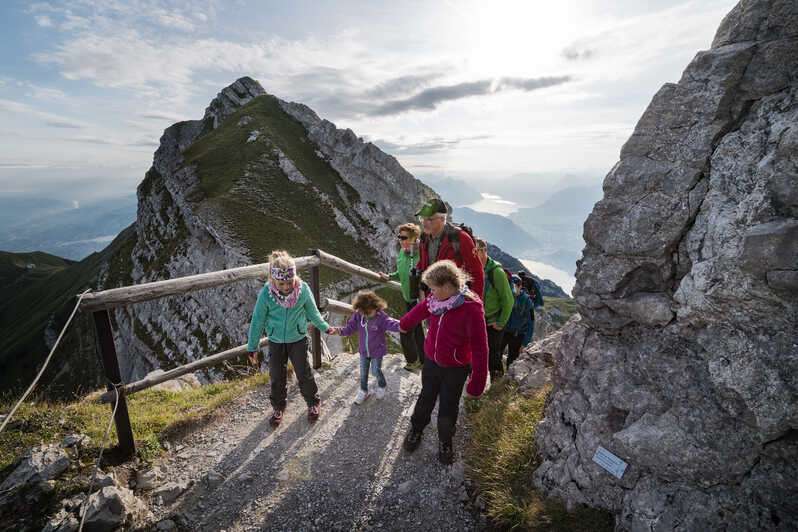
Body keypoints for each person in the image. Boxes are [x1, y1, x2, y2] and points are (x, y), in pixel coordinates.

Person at [399, 260, 489, 465]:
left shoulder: (471, 308)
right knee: (425, 398)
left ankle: (445, 441)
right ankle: (416, 429)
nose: (430, 292)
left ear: (448, 286)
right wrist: (405, 324)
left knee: (448, 405)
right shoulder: (436, 299)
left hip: (455, 368)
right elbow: (421, 310)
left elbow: (480, 348)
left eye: (433, 288)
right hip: (431, 361)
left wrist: (477, 382)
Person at [246, 250, 332, 427]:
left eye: (289, 282)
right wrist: (252, 346)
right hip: (276, 341)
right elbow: (257, 321)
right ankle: (278, 407)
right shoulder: (266, 294)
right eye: (282, 283)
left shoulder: (303, 290)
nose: (286, 287)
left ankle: (313, 402)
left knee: (303, 372)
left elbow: (313, 313)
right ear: (273, 279)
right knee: (277, 375)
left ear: (295, 277)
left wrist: (326, 327)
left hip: (298, 338)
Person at [329, 291, 400, 404]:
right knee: (363, 373)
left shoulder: (381, 317)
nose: (365, 315)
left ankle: (382, 385)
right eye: (363, 313)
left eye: (368, 313)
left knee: (376, 371)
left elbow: (392, 324)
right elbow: (349, 329)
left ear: (376, 307)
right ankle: (363, 390)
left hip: (377, 351)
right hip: (363, 351)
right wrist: (337, 331)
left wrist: (404, 325)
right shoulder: (358, 315)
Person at [415, 198, 484, 300]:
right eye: (422, 218)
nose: (424, 223)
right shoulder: (424, 238)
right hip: (432, 300)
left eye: (429, 219)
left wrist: (475, 303)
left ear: (443, 219)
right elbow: (423, 264)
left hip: (454, 302)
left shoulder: (460, 238)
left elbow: (477, 273)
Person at [379, 223, 425, 372]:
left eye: (404, 237)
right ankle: (423, 361)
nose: (400, 240)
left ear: (414, 238)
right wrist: (389, 276)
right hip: (408, 298)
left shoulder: (421, 255)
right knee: (417, 331)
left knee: (405, 329)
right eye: (399, 237)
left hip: (419, 300)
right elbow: (402, 272)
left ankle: (413, 361)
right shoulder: (403, 252)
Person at [474, 238, 514, 380]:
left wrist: (501, 322)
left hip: (493, 322)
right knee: (477, 351)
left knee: (493, 354)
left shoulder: (496, 272)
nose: (472, 254)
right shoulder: (475, 268)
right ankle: (479, 380)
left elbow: (508, 300)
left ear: (484, 251)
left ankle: (497, 382)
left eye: (475, 251)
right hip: (479, 320)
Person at [500, 276, 535, 368]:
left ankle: (507, 380)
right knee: (496, 353)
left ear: (520, 286)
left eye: (515, 287)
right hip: (504, 331)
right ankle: (496, 376)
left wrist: (524, 343)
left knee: (512, 360)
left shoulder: (528, 302)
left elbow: (531, 324)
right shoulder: (507, 296)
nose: (512, 289)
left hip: (518, 335)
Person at [517, 270, 545, 344]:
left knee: (530, 318)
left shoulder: (527, 281)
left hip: (530, 301)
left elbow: (532, 292)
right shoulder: (528, 280)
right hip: (531, 300)